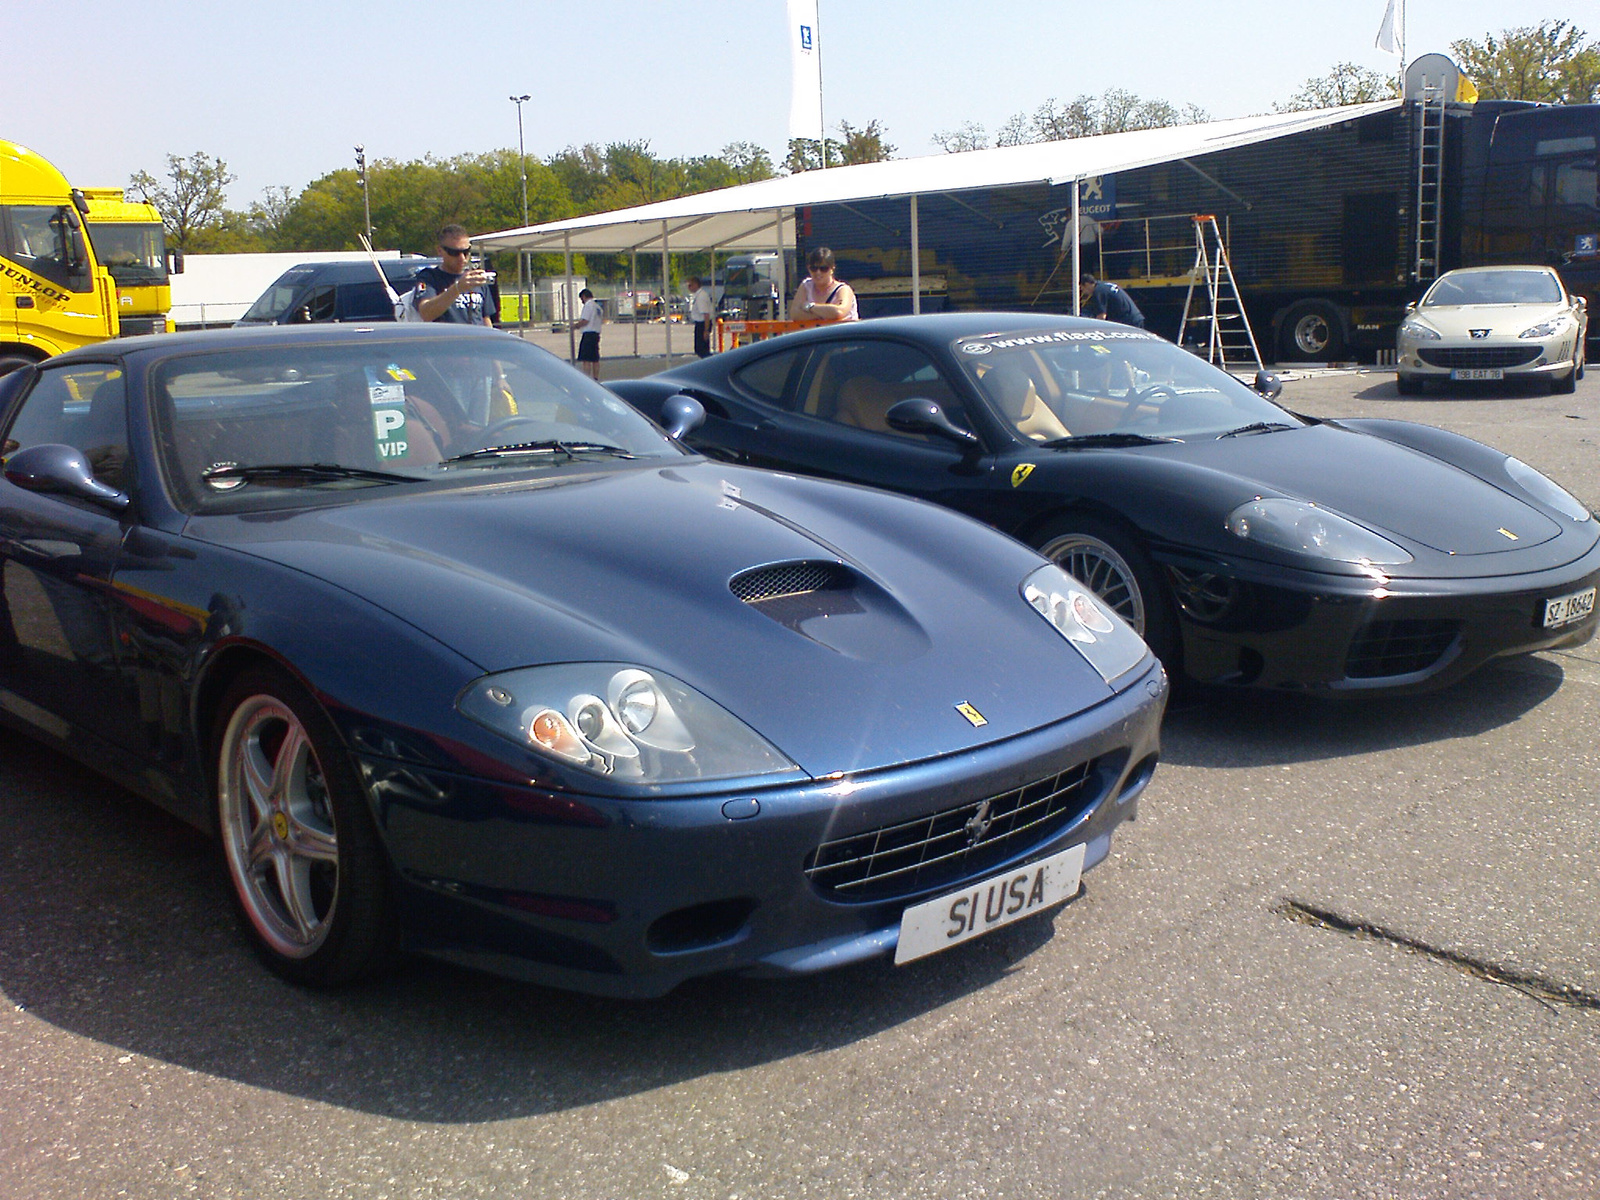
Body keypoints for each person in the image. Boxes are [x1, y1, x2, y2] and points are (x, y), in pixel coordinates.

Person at [413, 225, 495, 325]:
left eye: (466, 252)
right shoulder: (429, 277)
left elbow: (485, 318)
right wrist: (457, 288)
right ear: (440, 251)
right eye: (454, 253)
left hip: (476, 339)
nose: (462, 258)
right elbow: (426, 313)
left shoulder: (475, 278)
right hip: (448, 339)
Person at [790, 247, 859, 322]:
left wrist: (810, 307)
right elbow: (795, 314)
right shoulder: (806, 286)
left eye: (823, 268)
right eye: (814, 268)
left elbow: (839, 312)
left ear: (832, 269)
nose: (818, 272)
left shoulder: (843, 289)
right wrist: (827, 314)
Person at [1078, 273, 1145, 328]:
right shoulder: (1103, 285)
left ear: (1086, 284)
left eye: (1082, 288)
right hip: (1135, 317)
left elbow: (1101, 317)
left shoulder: (1098, 292)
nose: (1083, 291)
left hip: (1128, 321)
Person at [574, 288, 604, 380]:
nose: (582, 301)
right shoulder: (598, 307)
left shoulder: (588, 305)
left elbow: (585, 320)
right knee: (595, 359)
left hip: (588, 334)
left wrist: (576, 326)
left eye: (581, 299)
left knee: (586, 359)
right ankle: (595, 378)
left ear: (584, 296)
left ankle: (587, 378)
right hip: (596, 334)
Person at [686, 276, 715, 357]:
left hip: (702, 324)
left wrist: (706, 330)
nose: (689, 288)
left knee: (701, 349)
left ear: (696, 285)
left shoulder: (701, 297)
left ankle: (710, 363)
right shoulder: (698, 295)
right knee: (700, 349)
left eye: (690, 285)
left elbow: (706, 314)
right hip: (700, 323)